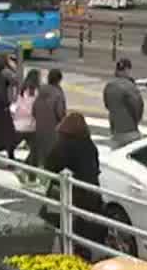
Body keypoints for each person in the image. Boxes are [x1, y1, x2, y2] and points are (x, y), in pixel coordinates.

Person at [41, 111, 104, 260]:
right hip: (91, 192)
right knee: (82, 230)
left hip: (71, 193)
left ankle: (64, 253)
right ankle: (82, 256)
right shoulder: (89, 145)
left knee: (56, 221)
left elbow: (50, 165)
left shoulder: (64, 145)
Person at [103, 57, 145, 148]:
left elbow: (107, 105)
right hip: (130, 128)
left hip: (115, 129)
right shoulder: (130, 87)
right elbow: (137, 106)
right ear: (127, 70)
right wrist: (136, 120)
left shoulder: (109, 86)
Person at [32, 68, 68, 169]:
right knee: (52, 153)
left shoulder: (41, 91)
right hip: (53, 129)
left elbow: (34, 110)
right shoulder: (58, 93)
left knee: (40, 152)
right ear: (59, 80)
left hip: (39, 127)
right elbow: (60, 113)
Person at [11, 68, 40, 164]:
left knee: (12, 144)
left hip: (19, 122)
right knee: (35, 148)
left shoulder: (22, 89)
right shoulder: (37, 91)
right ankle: (28, 166)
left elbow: (17, 104)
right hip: (31, 124)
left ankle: (11, 160)